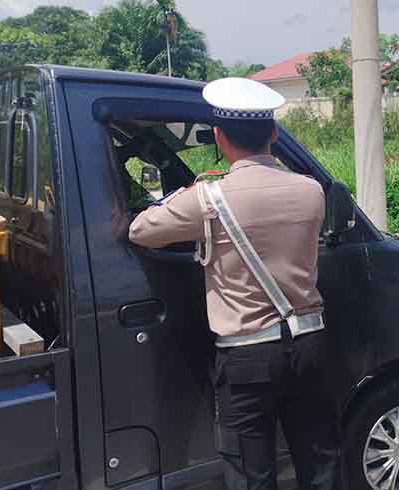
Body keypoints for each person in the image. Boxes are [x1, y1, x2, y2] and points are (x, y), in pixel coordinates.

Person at [128, 77, 337, 490]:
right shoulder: (312, 191)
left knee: (251, 471)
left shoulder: (207, 198)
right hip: (309, 345)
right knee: (319, 461)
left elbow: (140, 230)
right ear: (274, 133)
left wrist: (184, 193)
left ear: (220, 138)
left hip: (246, 358)